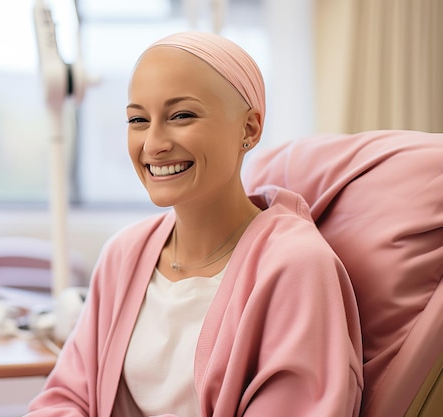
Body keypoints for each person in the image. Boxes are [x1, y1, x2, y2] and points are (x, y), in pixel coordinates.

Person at [25, 31, 363, 417]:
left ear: (249, 129)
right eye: (138, 119)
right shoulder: (124, 254)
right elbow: (65, 398)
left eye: (181, 115)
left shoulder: (296, 268)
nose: (153, 144)